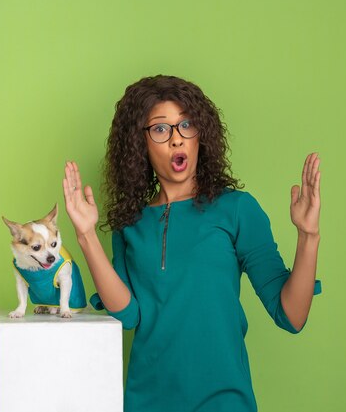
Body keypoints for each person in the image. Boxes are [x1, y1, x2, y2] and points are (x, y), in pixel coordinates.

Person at [62, 75, 322, 412]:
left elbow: (292, 315)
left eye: (186, 124)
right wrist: (86, 236)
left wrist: (308, 236)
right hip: (147, 401)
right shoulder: (131, 224)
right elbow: (127, 315)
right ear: (139, 143)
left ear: (202, 135)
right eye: (160, 129)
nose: (176, 140)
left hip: (224, 401)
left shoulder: (237, 209)